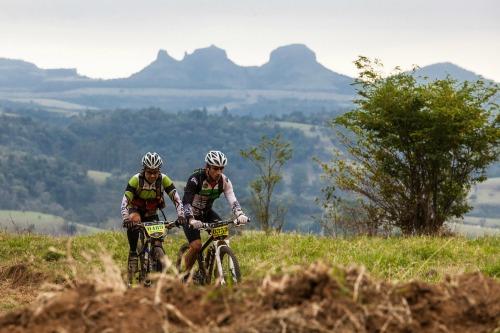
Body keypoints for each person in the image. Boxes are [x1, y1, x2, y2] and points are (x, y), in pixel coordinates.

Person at [181, 150, 249, 275]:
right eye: (215, 168)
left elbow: (232, 199)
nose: (219, 172)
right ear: (207, 167)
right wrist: (191, 219)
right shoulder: (195, 179)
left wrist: (240, 214)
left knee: (222, 237)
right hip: (190, 215)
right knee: (196, 246)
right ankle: (185, 274)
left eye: (221, 169)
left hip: (206, 213)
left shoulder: (224, 181)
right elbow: (186, 202)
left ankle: (212, 267)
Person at [121, 152, 185, 283]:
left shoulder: (164, 179)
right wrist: (125, 218)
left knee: (157, 242)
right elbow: (125, 201)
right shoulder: (136, 180)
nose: (152, 175)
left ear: (159, 171)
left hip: (151, 213)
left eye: (155, 172)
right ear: (144, 170)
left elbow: (176, 199)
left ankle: (159, 273)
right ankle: (133, 253)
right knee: (134, 220)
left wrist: (181, 215)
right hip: (136, 210)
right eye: (149, 172)